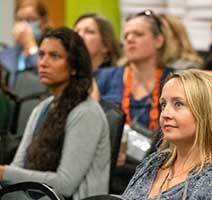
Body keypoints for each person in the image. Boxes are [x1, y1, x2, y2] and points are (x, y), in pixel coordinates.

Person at [0, 27, 111, 200]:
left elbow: (65, 184)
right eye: (41, 54)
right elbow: (17, 167)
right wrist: (6, 173)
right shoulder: (41, 108)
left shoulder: (87, 112)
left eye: (55, 56)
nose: (43, 62)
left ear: (74, 66)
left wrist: (3, 172)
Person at [122, 69, 212, 199]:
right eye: (163, 105)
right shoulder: (153, 163)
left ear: (205, 113)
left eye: (178, 104)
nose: (165, 114)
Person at [96, 9, 173, 193]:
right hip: (110, 168)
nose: (129, 39)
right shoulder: (104, 77)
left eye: (138, 34)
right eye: (126, 35)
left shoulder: (173, 79)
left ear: (158, 40)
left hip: (157, 169)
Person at [0, 0, 49, 87]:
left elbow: (46, 79)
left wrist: (31, 46)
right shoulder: (5, 55)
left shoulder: (52, 50)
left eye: (30, 19)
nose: (24, 25)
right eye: (20, 20)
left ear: (43, 22)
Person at [74, 13, 121, 101]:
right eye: (76, 32)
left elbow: (115, 111)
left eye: (89, 32)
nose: (79, 36)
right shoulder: (66, 74)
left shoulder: (116, 76)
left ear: (105, 45)